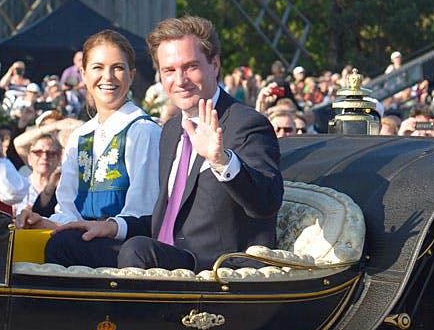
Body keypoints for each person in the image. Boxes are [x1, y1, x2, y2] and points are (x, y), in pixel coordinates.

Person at [47, 16, 283, 272]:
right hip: (162, 253)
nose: (179, 80)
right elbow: (166, 221)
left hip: (213, 266)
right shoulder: (171, 129)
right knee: (65, 243)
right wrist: (114, 226)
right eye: (169, 70)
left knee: (137, 250)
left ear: (214, 65)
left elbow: (267, 203)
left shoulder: (246, 123)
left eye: (190, 66)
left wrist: (220, 160)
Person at [18, 30, 161, 240]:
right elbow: (69, 213)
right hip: (82, 245)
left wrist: (107, 228)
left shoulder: (143, 131)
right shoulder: (80, 136)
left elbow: (143, 213)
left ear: (131, 75)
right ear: (83, 74)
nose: (108, 77)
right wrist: (43, 223)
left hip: (126, 249)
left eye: (118, 68)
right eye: (98, 68)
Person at [23, 133, 63, 218]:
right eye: (38, 152)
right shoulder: (19, 186)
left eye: (51, 153)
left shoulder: (64, 190)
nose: (44, 157)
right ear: (29, 158)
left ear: (59, 158)